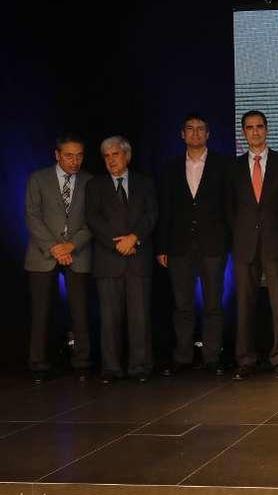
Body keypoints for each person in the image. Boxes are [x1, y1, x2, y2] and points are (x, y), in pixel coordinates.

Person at [228, 110, 278, 380]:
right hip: (244, 245)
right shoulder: (233, 167)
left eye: (260, 126)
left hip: (275, 243)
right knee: (245, 304)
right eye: (250, 127)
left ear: (267, 130)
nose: (255, 131)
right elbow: (229, 209)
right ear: (244, 132)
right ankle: (246, 359)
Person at [156, 113, 230, 376]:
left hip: (213, 247)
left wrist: (228, 243)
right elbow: (164, 209)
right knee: (182, 306)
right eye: (190, 129)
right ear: (182, 134)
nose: (195, 133)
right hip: (179, 247)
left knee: (213, 305)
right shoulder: (170, 168)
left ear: (208, 134)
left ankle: (212, 357)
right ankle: (183, 356)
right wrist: (162, 246)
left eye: (200, 129)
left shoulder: (223, 165)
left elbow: (229, 207)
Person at [85, 136, 157, 383]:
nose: (111, 160)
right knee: (109, 319)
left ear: (127, 155)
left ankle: (140, 367)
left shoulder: (145, 183)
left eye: (115, 155)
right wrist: (118, 245)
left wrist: (134, 238)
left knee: (140, 317)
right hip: (108, 260)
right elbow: (93, 219)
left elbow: (151, 214)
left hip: (138, 259)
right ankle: (111, 368)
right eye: (106, 156)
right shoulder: (95, 185)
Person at [24, 133, 93, 383]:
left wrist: (71, 245)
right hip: (43, 254)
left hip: (79, 252)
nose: (75, 161)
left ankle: (82, 362)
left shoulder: (90, 181)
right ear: (57, 155)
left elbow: (93, 220)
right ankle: (39, 364)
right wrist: (55, 247)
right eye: (68, 156)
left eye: (79, 156)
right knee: (41, 311)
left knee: (80, 311)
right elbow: (32, 216)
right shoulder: (38, 179)